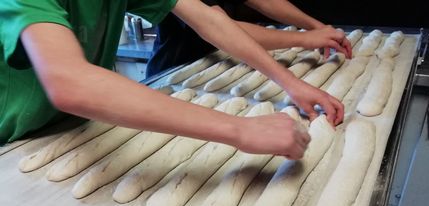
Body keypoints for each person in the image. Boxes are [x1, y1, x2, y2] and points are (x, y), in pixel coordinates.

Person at [0, 0, 346, 159]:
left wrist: (290, 82)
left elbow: (207, 19)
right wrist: (241, 129)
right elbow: (70, 81)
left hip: (79, 130)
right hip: (13, 144)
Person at [147, 0, 352, 76]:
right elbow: (218, 25)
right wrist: (304, 38)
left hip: (225, 58)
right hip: (178, 70)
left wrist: (318, 27)